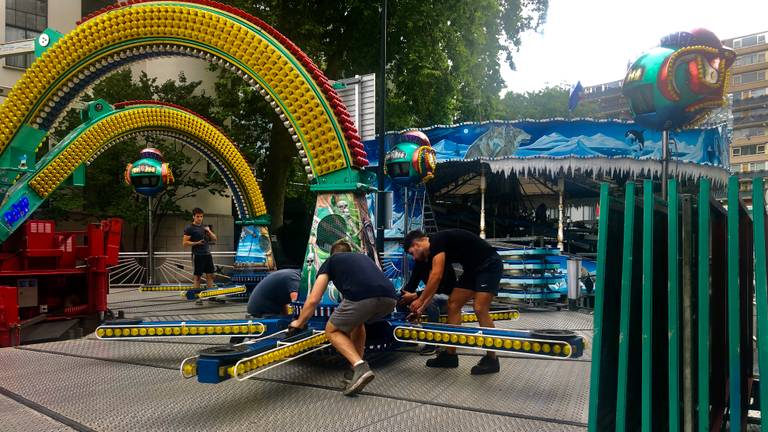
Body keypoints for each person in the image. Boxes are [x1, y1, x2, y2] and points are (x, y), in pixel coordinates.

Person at [289, 240, 397, 396]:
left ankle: (359, 366)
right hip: (389, 299)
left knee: (332, 330)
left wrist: (298, 323)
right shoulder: (363, 258)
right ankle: (355, 370)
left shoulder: (331, 261)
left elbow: (313, 299)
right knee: (357, 323)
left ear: (332, 253)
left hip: (362, 297)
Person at [403, 228, 504, 375]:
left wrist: (419, 301)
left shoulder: (436, 240)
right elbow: (434, 285)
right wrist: (421, 307)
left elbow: (436, 276)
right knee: (453, 304)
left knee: (480, 307)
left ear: (417, 244)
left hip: (489, 264)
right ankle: (450, 356)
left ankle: (492, 359)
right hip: (472, 270)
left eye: (412, 253)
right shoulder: (434, 253)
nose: (414, 258)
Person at [398, 259, 456, 355]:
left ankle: (432, 342)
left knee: (431, 301)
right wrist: (403, 295)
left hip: (448, 298)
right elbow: (412, 284)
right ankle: (409, 335)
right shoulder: (419, 263)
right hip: (428, 296)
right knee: (401, 300)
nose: (413, 255)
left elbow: (438, 289)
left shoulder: (441, 261)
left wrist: (415, 295)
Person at [182, 208, 217, 291]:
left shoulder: (205, 227)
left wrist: (209, 231)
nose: (200, 218)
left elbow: (215, 238)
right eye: (197, 216)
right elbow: (184, 243)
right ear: (193, 216)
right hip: (197, 255)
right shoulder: (189, 228)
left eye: (201, 216)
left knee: (210, 275)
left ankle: (210, 295)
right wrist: (197, 243)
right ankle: (196, 296)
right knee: (197, 276)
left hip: (207, 254)